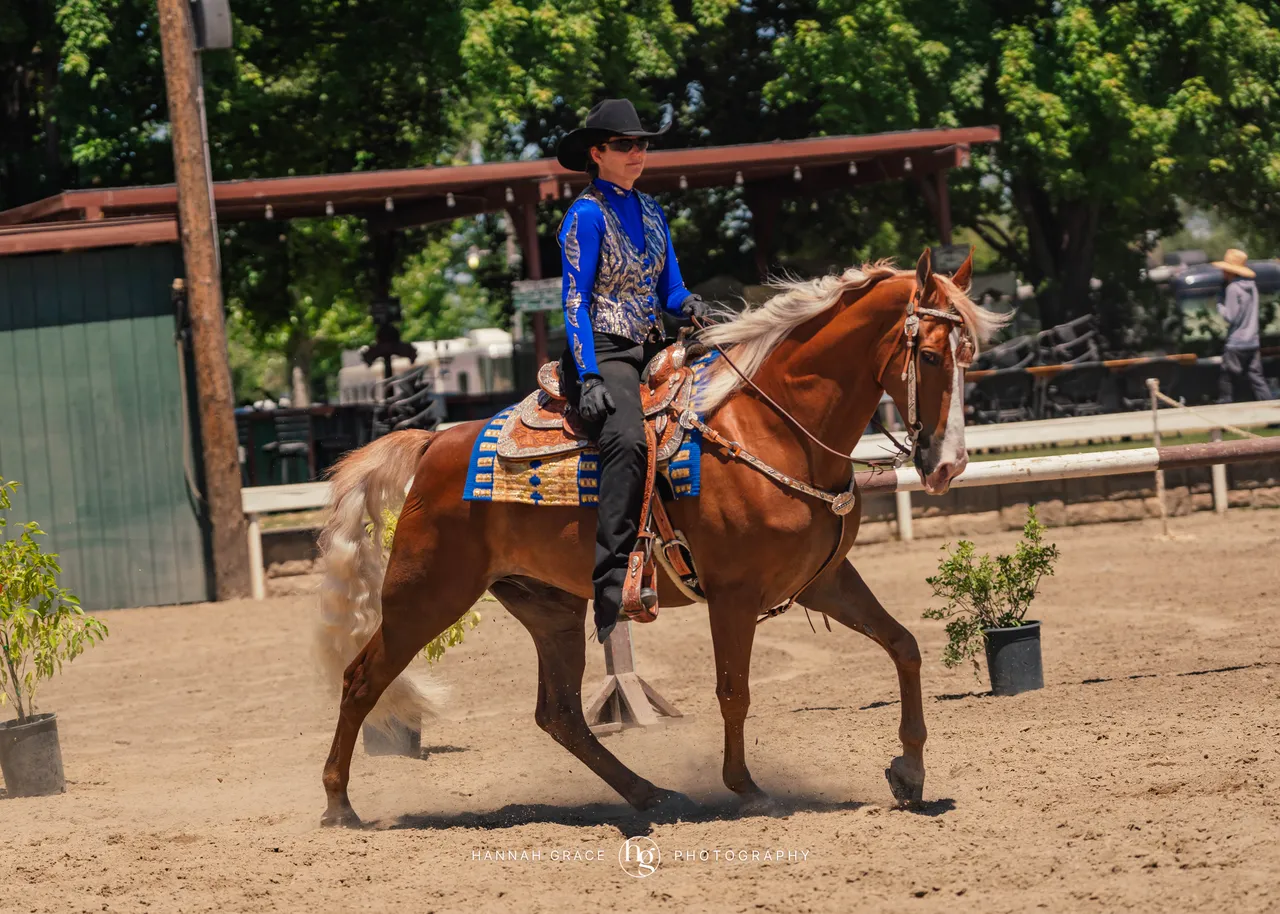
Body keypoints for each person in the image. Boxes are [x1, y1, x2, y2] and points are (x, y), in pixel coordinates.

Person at [555, 98, 709, 643]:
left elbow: (671, 287)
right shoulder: (585, 215)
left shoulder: (651, 210)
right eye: (625, 145)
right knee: (626, 439)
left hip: (653, 344)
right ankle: (613, 577)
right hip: (603, 350)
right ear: (597, 153)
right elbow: (575, 301)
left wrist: (689, 303)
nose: (638, 152)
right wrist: (590, 375)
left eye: (642, 143)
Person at [1213, 248, 1272, 403]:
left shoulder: (1233, 288)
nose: (1223, 274)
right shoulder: (1252, 287)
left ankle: (1224, 414)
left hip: (1236, 344)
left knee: (1227, 379)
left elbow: (1231, 317)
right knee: (1257, 379)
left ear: (1231, 271)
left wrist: (1219, 304)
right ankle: (1272, 412)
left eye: (1225, 270)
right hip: (1252, 341)